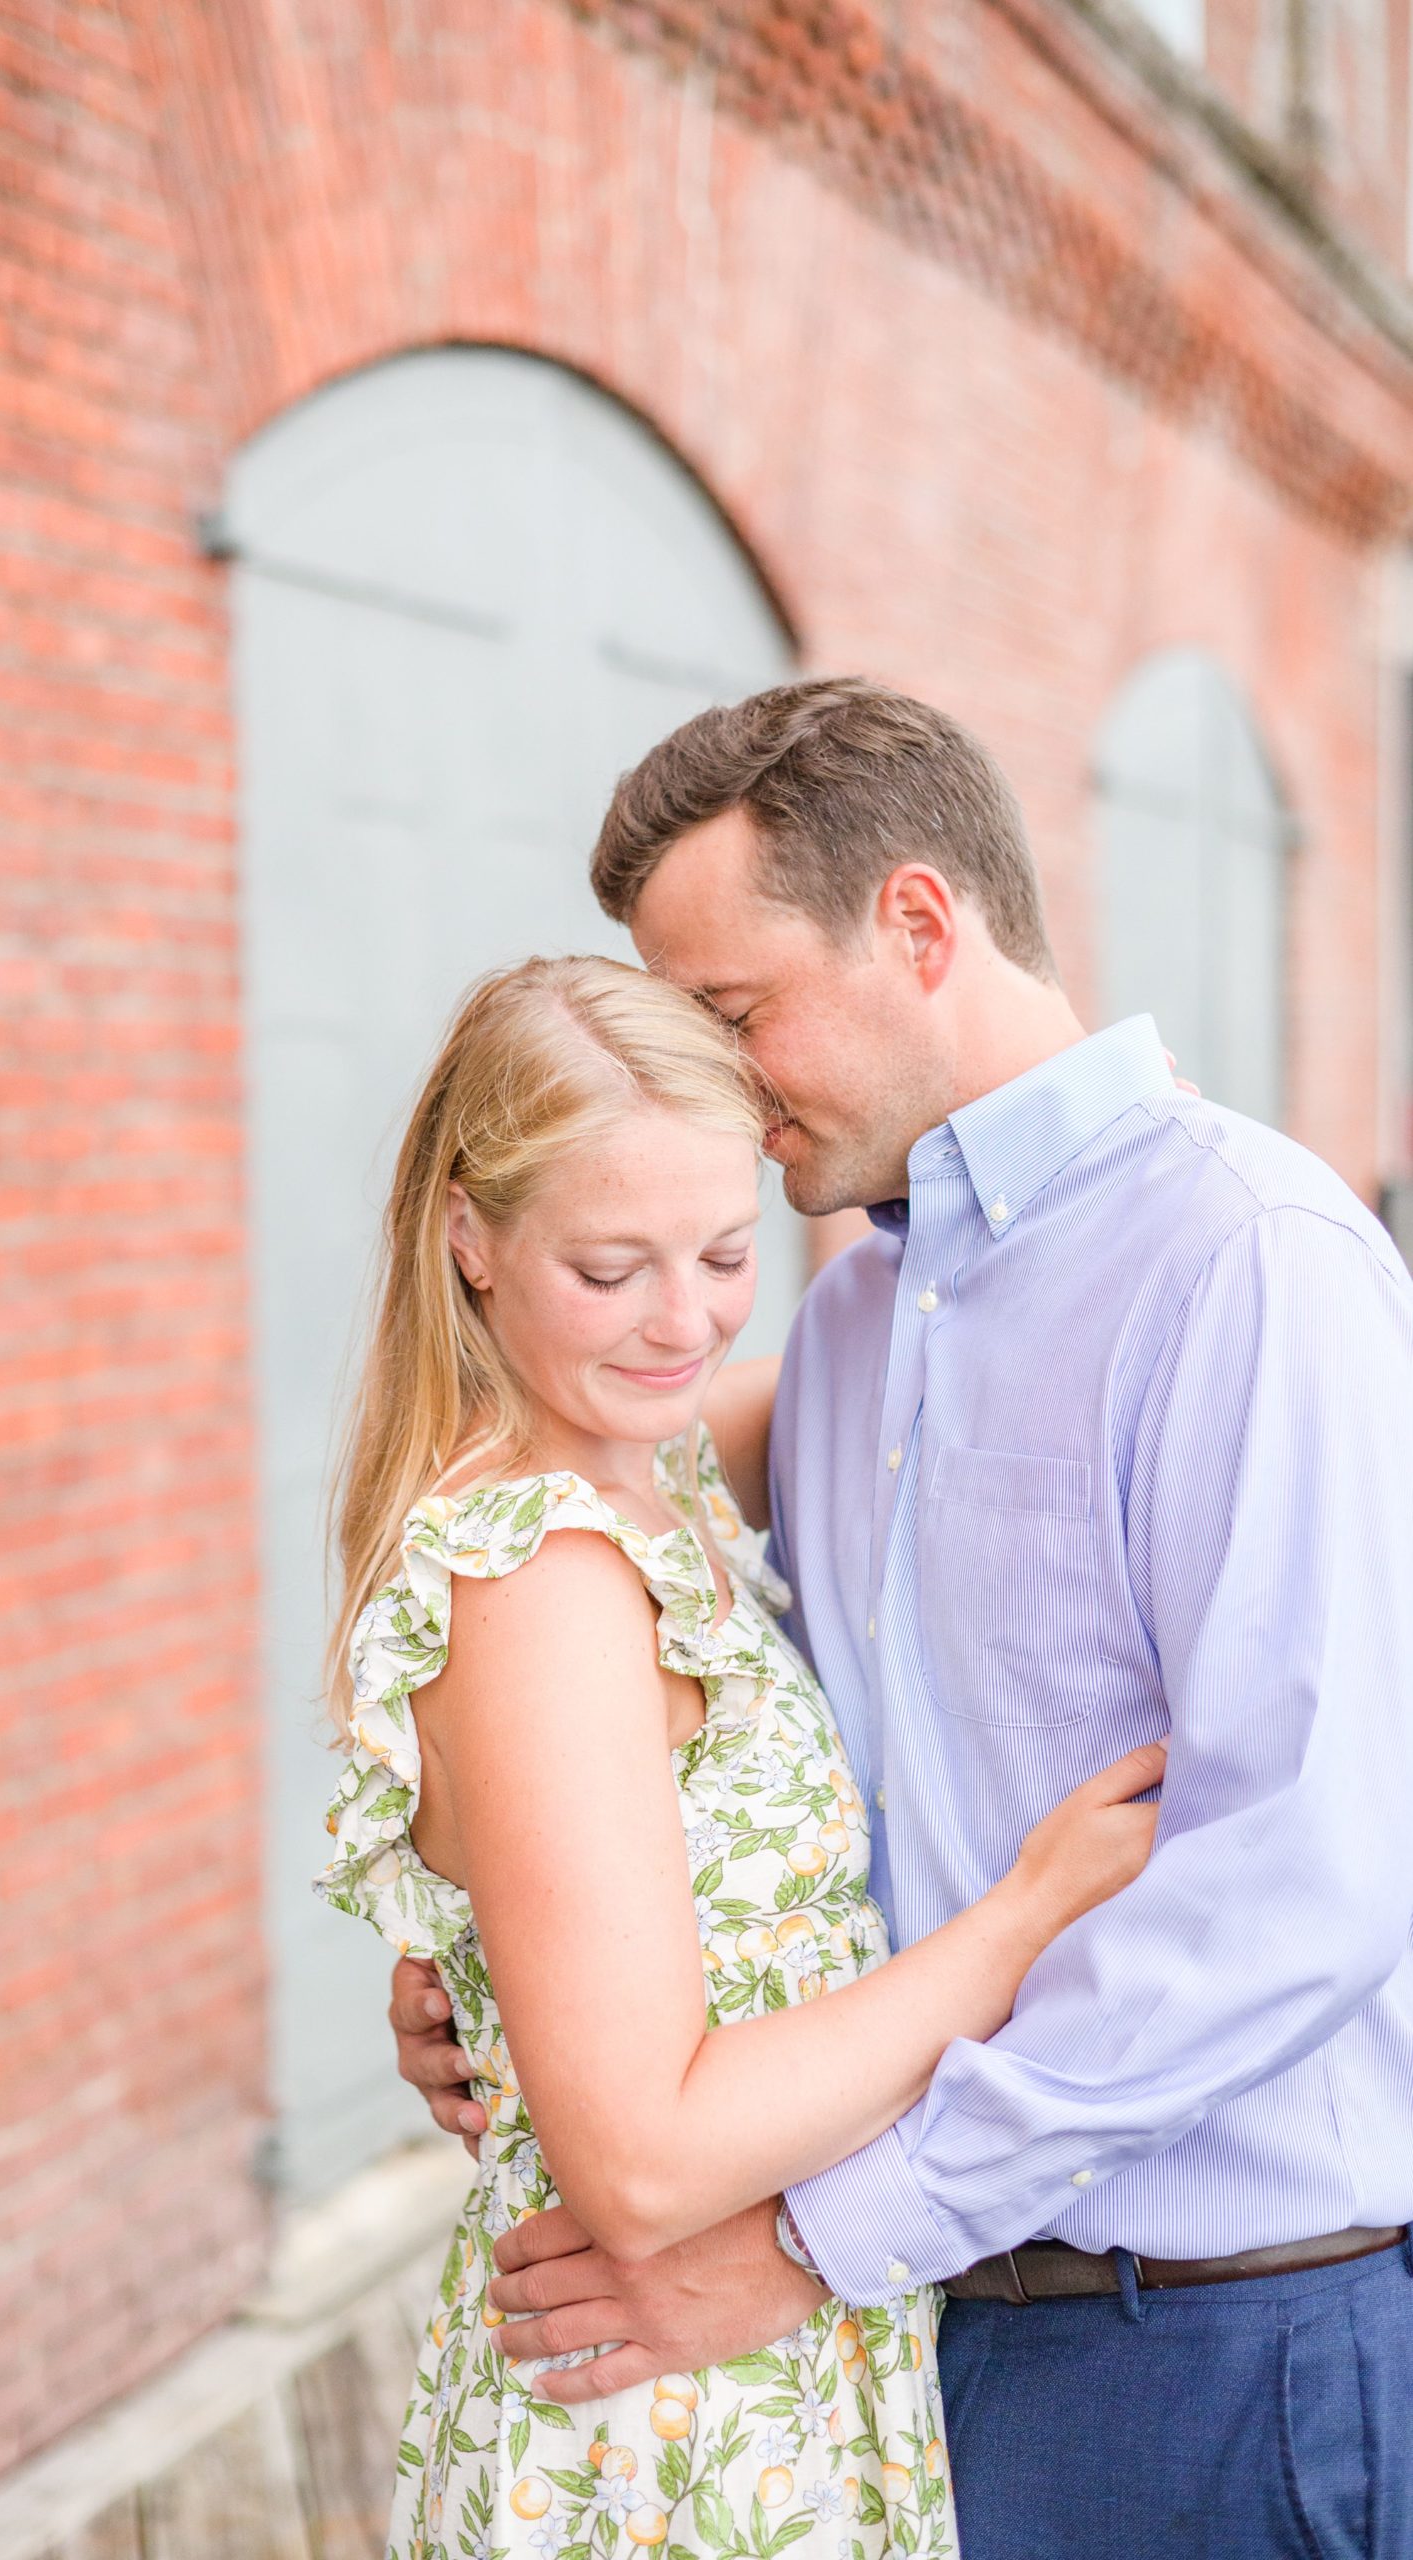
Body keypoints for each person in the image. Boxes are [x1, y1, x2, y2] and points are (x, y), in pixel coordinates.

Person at [389, 679, 1413, 2560]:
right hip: (919, 2349)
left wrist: (812, 2241)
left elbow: (1308, 1880)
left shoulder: (1245, 1262)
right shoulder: (856, 1324)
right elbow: (645, 1697)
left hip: (1216, 2345)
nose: (716, 1083)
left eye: (731, 1015)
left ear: (920, 926)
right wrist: (509, 1953)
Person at [316, 952, 1162, 2560]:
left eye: (721, 1252)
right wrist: (1022, 1918)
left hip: (774, 2375)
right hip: (662, 2429)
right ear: (468, 1237)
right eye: (611, 1266)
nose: (683, 1320)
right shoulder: (542, 1575)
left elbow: (935, 1387)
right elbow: (642, 2160)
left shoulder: (658, 1465)